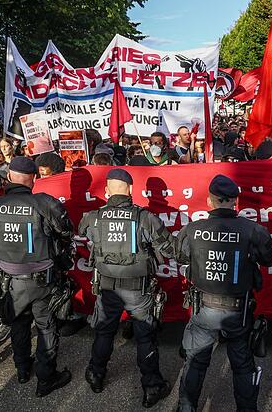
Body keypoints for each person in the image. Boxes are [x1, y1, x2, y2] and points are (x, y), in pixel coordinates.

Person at [176, 174, 272, 411]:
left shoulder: (192, 229)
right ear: (235, 202)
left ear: (210, 202)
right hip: (237, 312)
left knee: (195, 362)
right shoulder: (253, 230)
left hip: (204, 310)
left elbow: (180, 256)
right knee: (242, 364)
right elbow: (271, 257)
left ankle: (186, 408)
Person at [79, 168, 177, 408]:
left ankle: (96, 374)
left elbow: (82, 231)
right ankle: (152, 387)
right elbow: (171, 250)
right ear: (132, 190)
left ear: (106, 191)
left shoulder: (93, 218)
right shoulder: (146, 218)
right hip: (138, 289)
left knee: (104, 332)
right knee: (145, 336)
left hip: (107, 288)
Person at [0, 156, 73, 397]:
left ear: (9, 177)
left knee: (18, 325)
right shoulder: (44, 203)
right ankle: (46, 378)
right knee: (45, 326)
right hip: (42, 280)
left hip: (10, 281)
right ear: (34, 179)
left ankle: (22, 370)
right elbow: (66, 231)